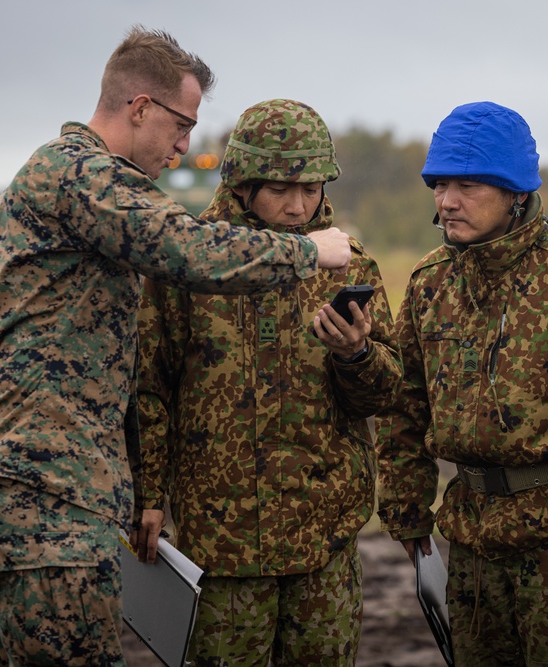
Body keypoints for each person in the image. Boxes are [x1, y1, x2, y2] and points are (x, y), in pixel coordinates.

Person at [0, 27, 352, 666]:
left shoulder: (54, 174)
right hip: (51, 494)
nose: (185, 144)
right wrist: (308, 250)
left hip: (30, 487)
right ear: (139, 106)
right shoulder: (85, 176)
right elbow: (187, 249)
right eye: (181, 124)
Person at [375, 101, 548, 666]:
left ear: (516, 192)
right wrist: (405, 508)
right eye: (439, 184)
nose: (448, 200)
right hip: (471, 543)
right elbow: (406, 406)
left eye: (468, 185)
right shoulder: (431, 283)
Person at [133, 98, 402, 666]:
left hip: (323, 538)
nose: (298, 206)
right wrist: (147, 495)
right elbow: (150, 387)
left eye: (311, 188)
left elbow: (385, 393)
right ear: (241, 183)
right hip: (224, 542)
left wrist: (356, 356)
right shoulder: (192, 263)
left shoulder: (348, 265)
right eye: (281, 188)